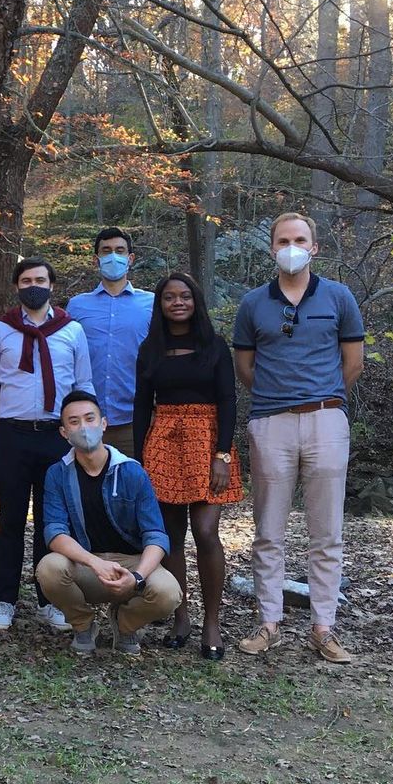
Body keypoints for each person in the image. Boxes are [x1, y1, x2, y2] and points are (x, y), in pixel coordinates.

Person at [233, 212, 364, 664]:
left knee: (326, 533)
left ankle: (323, 627)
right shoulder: (254, 303)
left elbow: (353, 363)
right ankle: (268, 622)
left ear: (315, 247)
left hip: (327, 420)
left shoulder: (339, 297)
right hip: (271, 422)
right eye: (283, 239)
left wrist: (321, 399)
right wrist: (278, 400)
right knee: (268, 530)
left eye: (300, 239)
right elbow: (245, 368)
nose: (292, 246)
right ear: (272, 248)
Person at [0, 257, 94, 633]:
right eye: (26, 280)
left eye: (40, 279)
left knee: (52, 522)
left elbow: (84, 385)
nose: (33, 285)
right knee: (10, 520)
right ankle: (5, 599)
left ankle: (49, 600)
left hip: (57, 437)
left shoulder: (72, 330)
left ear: (52, 285)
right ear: (16, 287)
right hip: (12, 435)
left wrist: (87, 434)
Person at [133, 272, 241, 660]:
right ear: (160, 305)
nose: (177, 302)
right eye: (169, 298)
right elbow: (142, 404)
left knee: (206, 531)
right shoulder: (150, 348)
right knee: (171, 535)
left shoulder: (213, 346)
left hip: (208, 442)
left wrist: (222, 454)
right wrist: (141, 456)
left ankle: (212, 621)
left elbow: (228, 401)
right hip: (163, 441)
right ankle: (181, 615)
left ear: (196, 302)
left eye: (185, 296)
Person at [36, 391, 181, 655]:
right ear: (64, 432)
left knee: (168, 592)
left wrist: (136, 577)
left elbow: (156, 535)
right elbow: (54, 533)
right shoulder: (57, 474)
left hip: (130, 563)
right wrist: (95, 563)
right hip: (86, 564)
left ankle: (124, 625)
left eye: (90, 419)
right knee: (49, 568)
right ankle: (83, 625)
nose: (84, 428)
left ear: (103, 424)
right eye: (74, 422)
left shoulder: (132, 472)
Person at [66, 227, 154, 457]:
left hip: (135, 419)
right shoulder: (77, 306)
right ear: (97, 260)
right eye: (106, 251)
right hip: (87, 421)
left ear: (130, 258)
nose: (113, 256)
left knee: (133, 486)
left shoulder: (151, 304)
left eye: (119, 250)